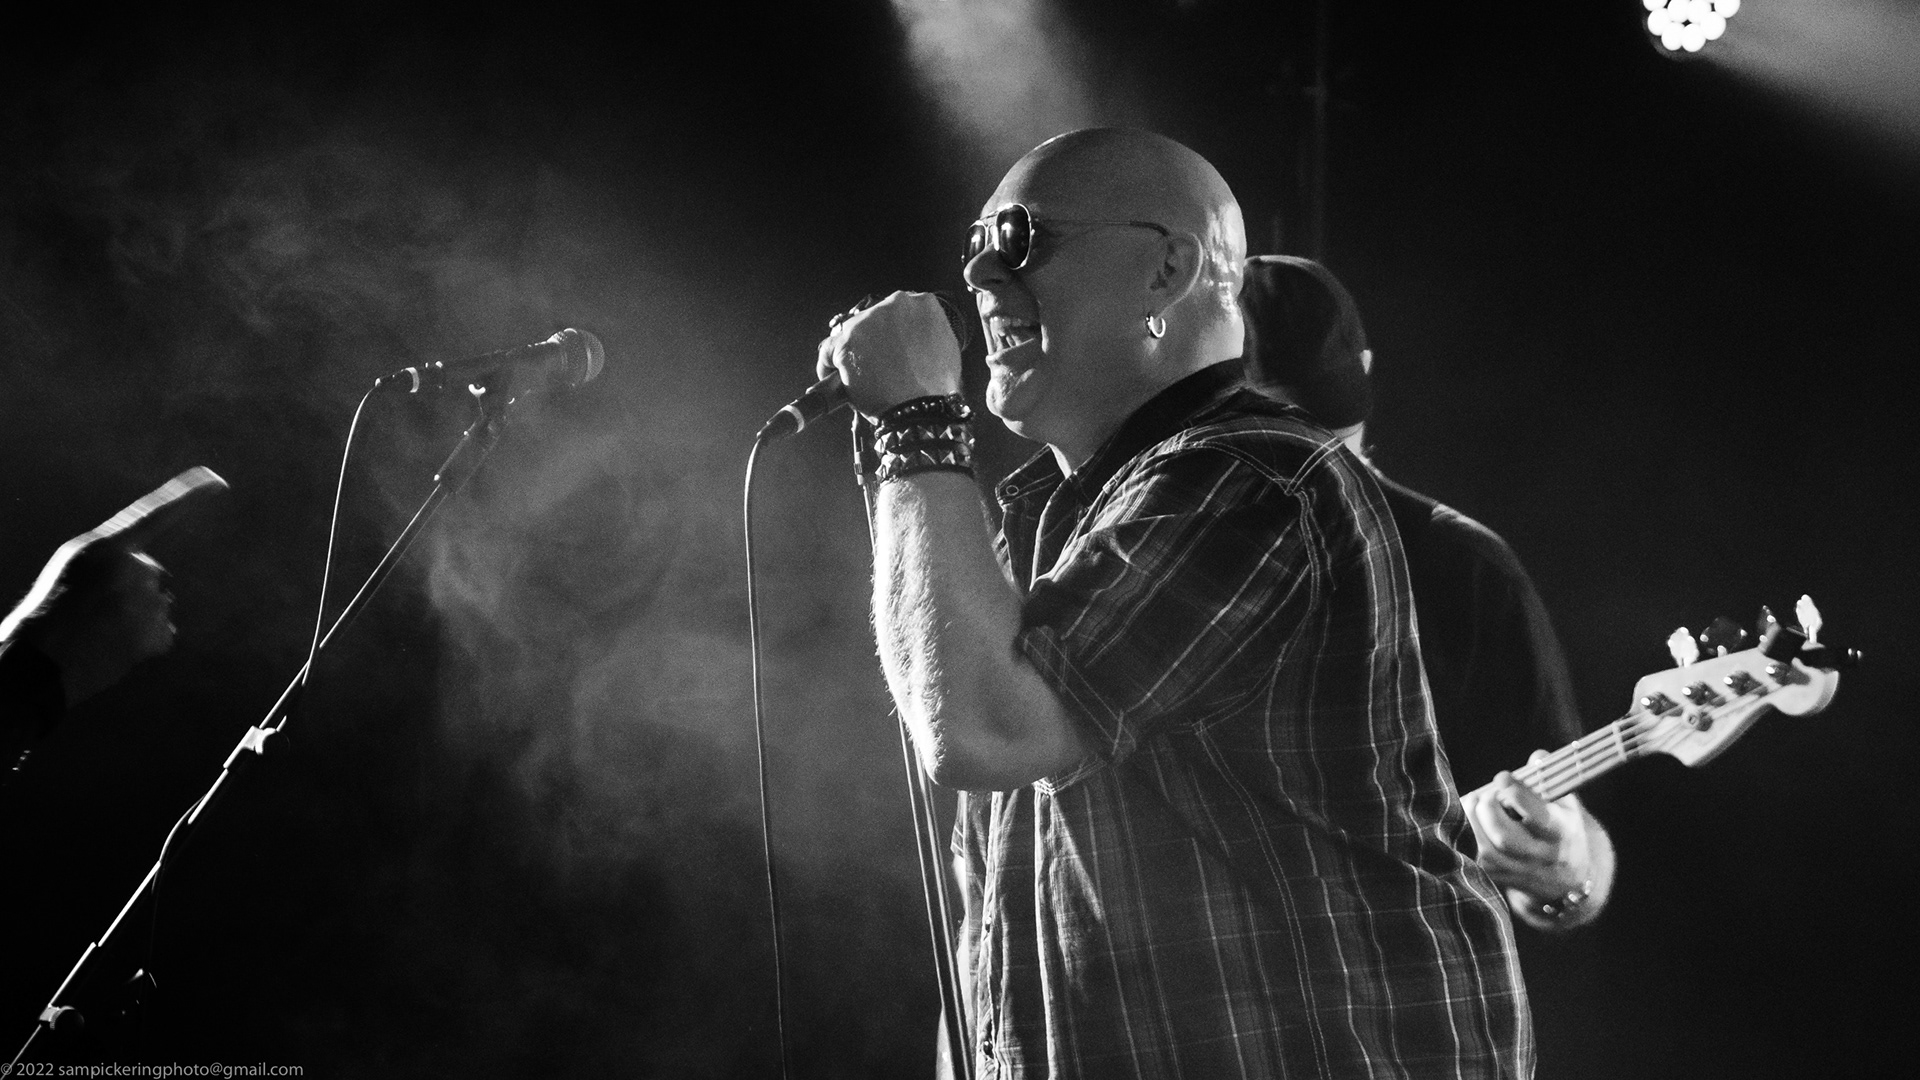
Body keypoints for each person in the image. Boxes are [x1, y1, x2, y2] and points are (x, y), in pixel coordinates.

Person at [817, 128, 1530, 1078]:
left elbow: (984, 730)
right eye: (974, 244)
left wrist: (915, 427)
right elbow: (989, 906)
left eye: (1020, 238)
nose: (982, 275)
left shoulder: (1252, 479)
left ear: (1167, 270)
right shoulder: (1042, 530)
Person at [1237, 255, 1616, 934]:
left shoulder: (1462, 565)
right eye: (1274, 433)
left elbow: (1577, 842)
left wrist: (1567, 872)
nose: (1311, 454)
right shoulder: (1149, 565)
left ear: (1367, 372)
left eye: (1324, 420)